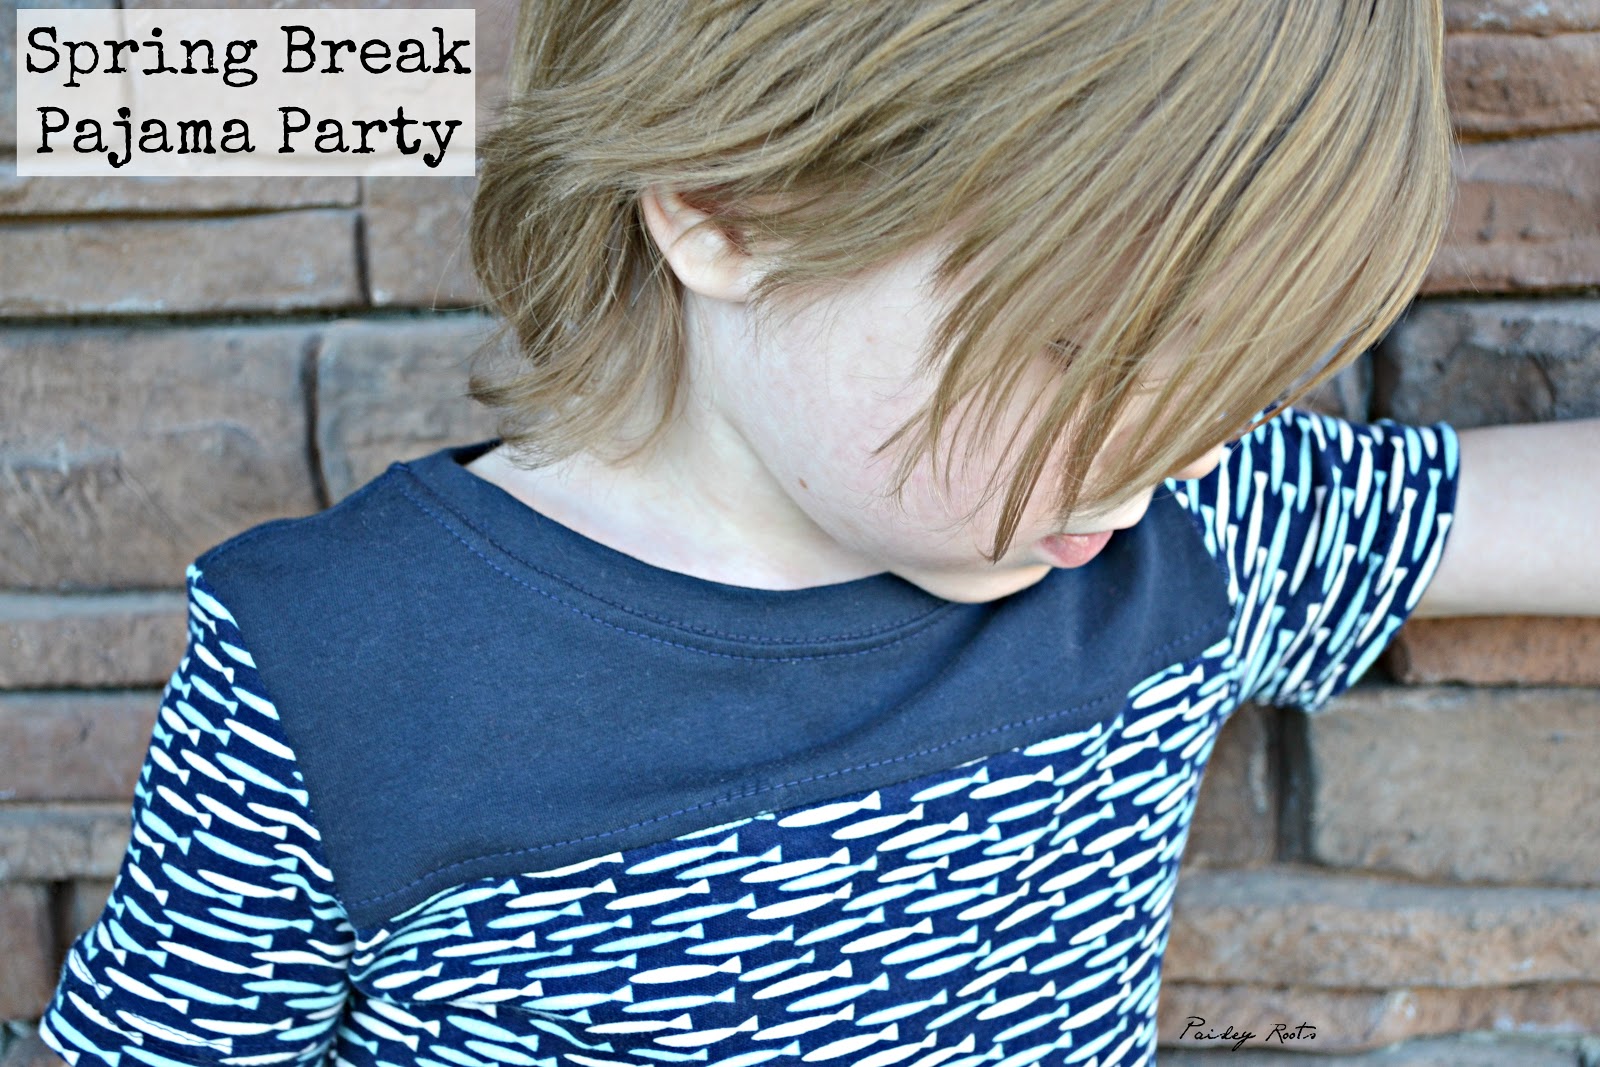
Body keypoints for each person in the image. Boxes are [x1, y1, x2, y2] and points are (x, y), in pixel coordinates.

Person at [35, 1, 1598, 1065]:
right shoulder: (337, 673)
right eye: (1091, 351)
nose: (1170, 449)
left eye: (1240, 376)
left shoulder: (1181, 532)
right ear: (725, 203)